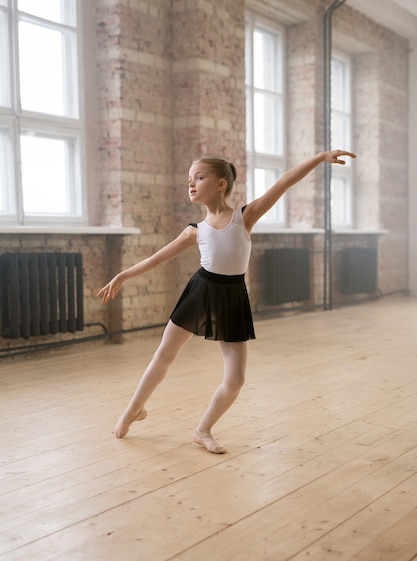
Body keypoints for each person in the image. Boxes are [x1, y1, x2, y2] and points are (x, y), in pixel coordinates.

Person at [98, 149, 356, 453]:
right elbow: (156, 259)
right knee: (164, 355)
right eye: (189, 180)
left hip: (233, 297)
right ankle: (132, 411)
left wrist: (319, 158)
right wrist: (122, 276)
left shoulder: (244, 217)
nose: (191, 184)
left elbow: (284, 182)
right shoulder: (195, 231)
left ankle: (202, 430)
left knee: (236, 379)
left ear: (221, 184)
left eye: (199, 177)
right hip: (200, 291)